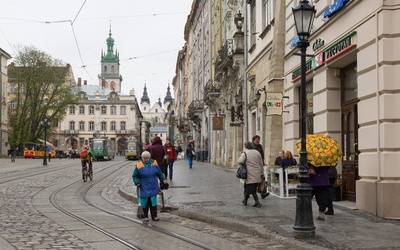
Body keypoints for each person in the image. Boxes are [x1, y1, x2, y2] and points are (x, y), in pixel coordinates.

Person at [132, 151, 167, 222]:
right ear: (142, 158)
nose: (146, 160)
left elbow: (159, 173)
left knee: (153, 202)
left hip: (153, 186)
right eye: (144, 158)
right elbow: (134, 176)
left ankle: (154, 216)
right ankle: (145, 216)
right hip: (143, 187)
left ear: (149, 157)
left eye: (147, 158)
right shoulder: (139, 165)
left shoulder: (154, 163)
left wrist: (163, 180)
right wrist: (137, 183)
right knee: (145, 203)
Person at [238, 142, 264, 207]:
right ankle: (245, 201)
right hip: (257, 172)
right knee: (251, 188)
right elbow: (261, 162)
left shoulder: (245, 153)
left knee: (251, 189)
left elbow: (240, 161)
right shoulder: (257, 152)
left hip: (250, 173)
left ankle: (257, 202)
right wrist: (262, 173)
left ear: (246, 147)